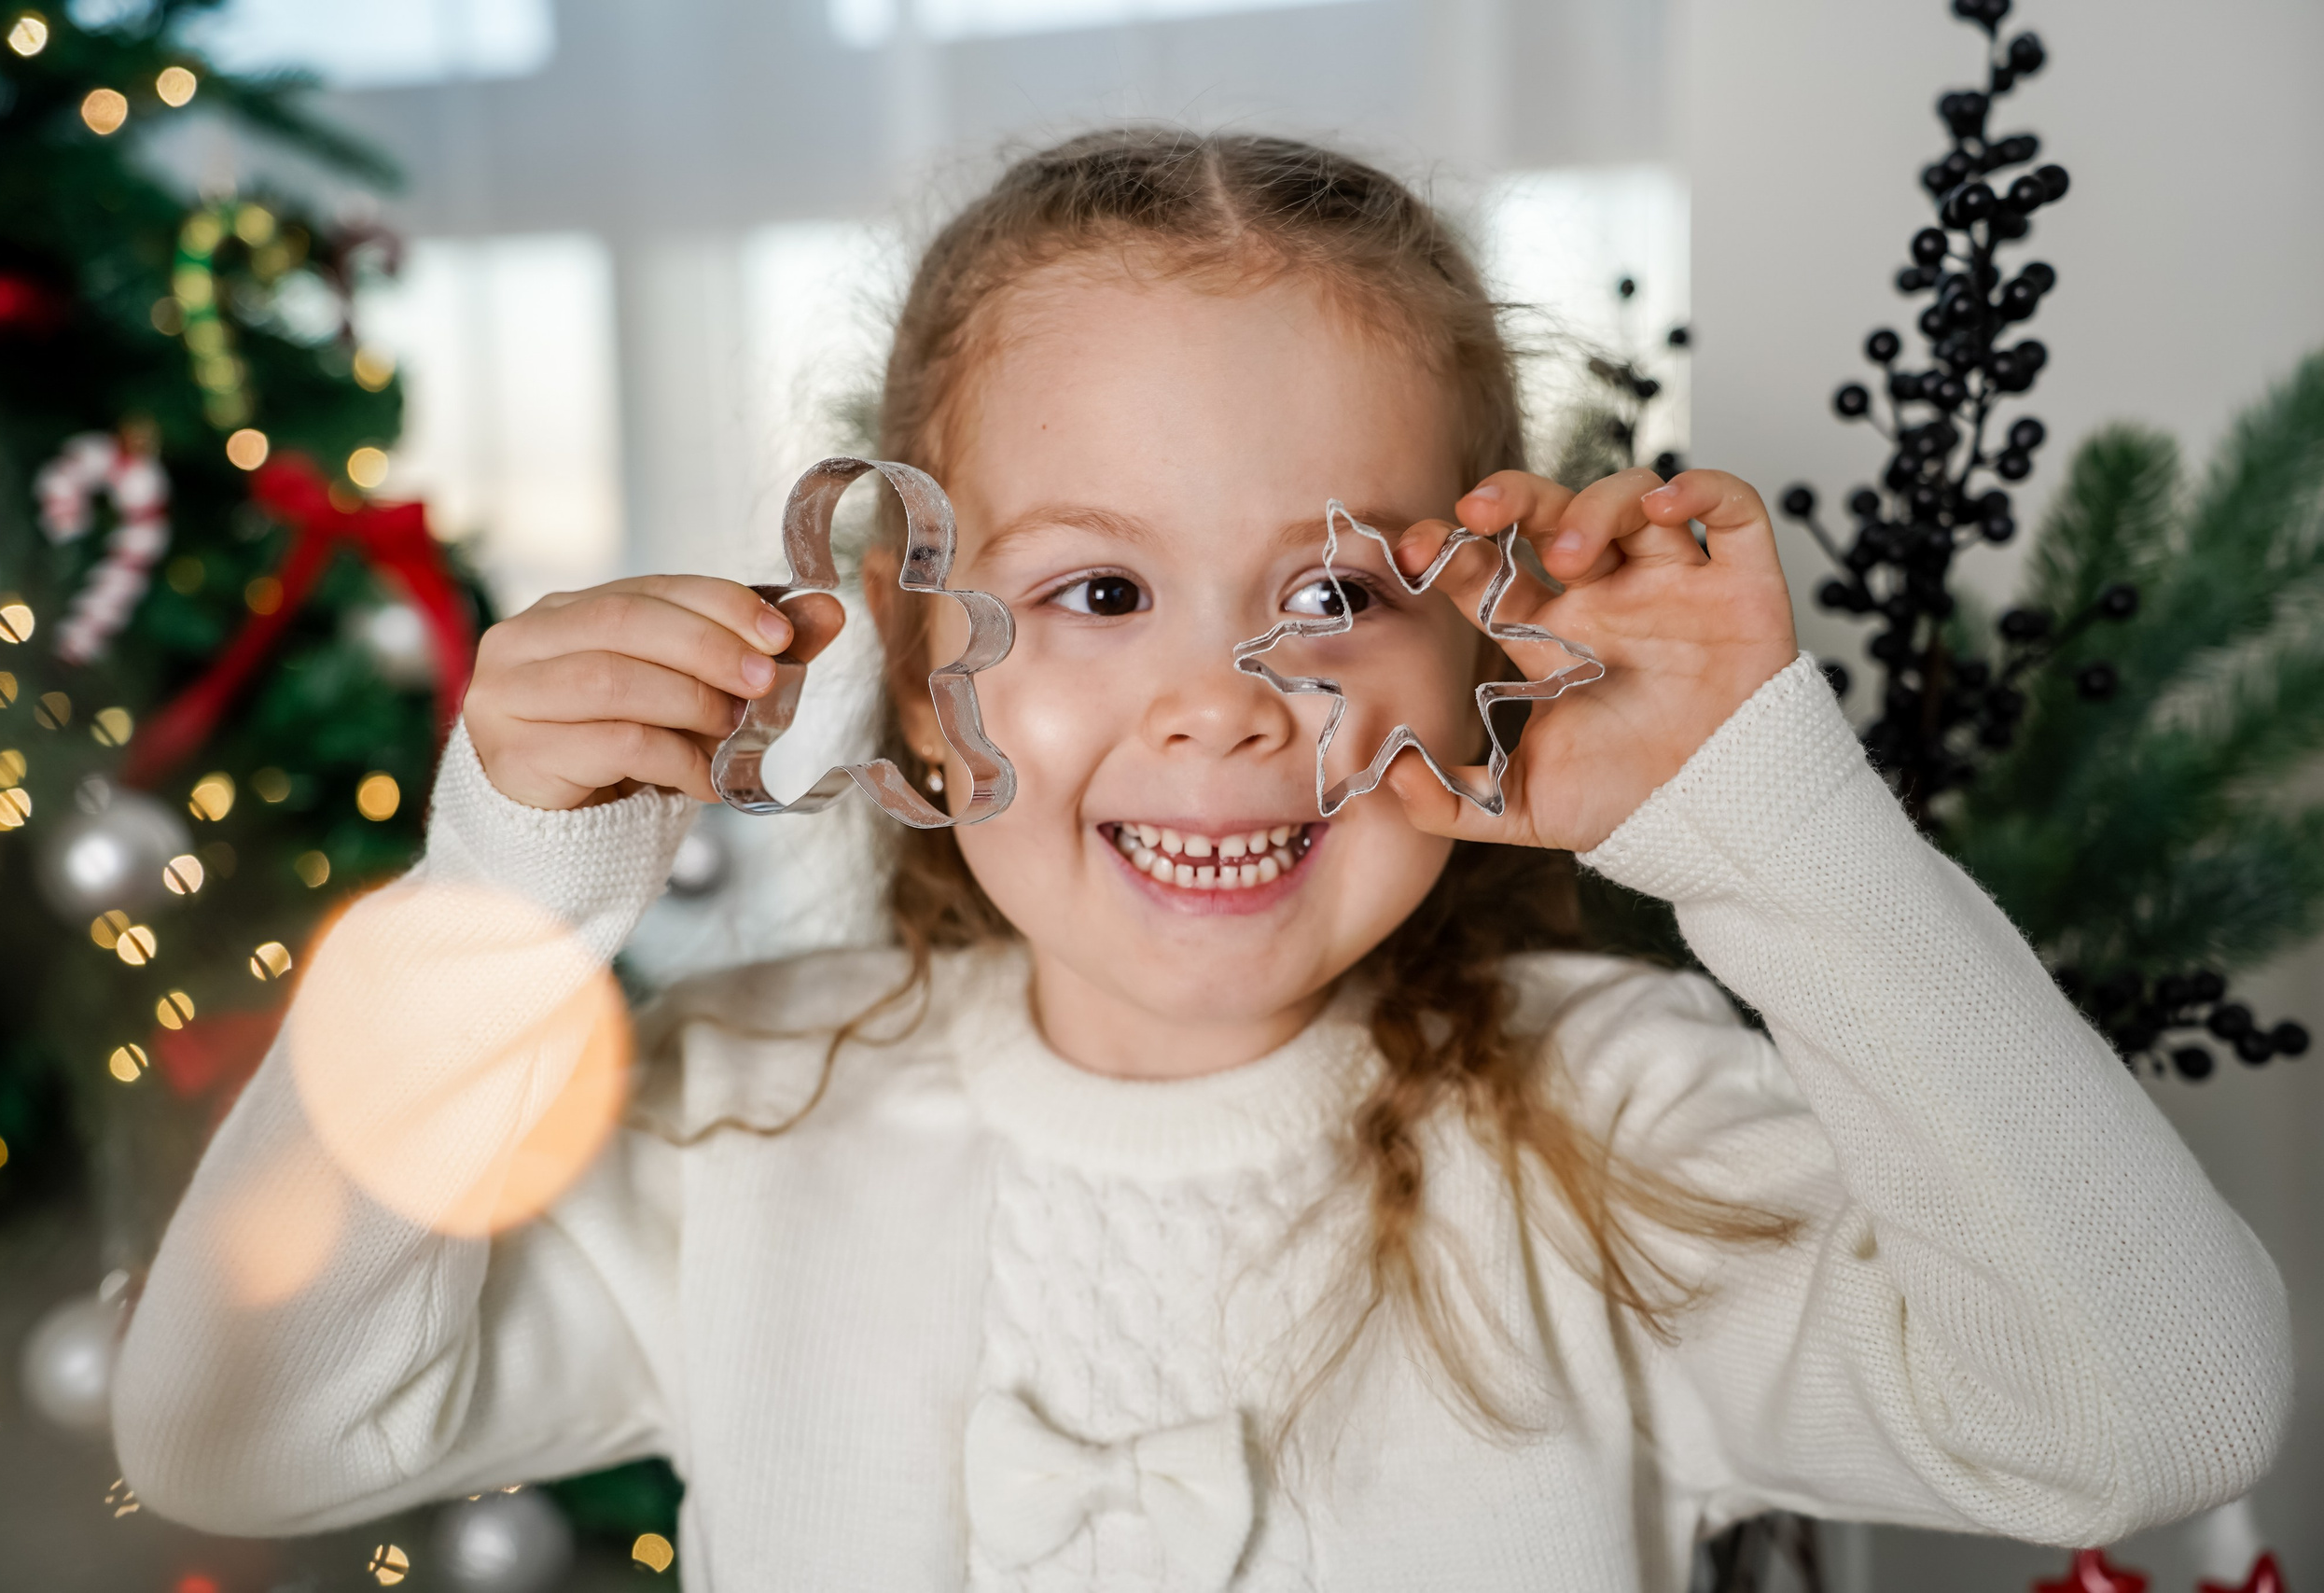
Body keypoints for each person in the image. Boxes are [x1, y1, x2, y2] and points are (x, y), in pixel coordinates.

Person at [113, 129, 2289, 1590]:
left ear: (1482, 629)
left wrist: (1771, 817)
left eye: (1332, 594)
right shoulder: (748, 1117)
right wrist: (497, 910)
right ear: (897, 640)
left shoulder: (1605, 1124)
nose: (1224, 705)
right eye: (1088, 592)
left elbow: (2140, 1418)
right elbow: (234, 1431)